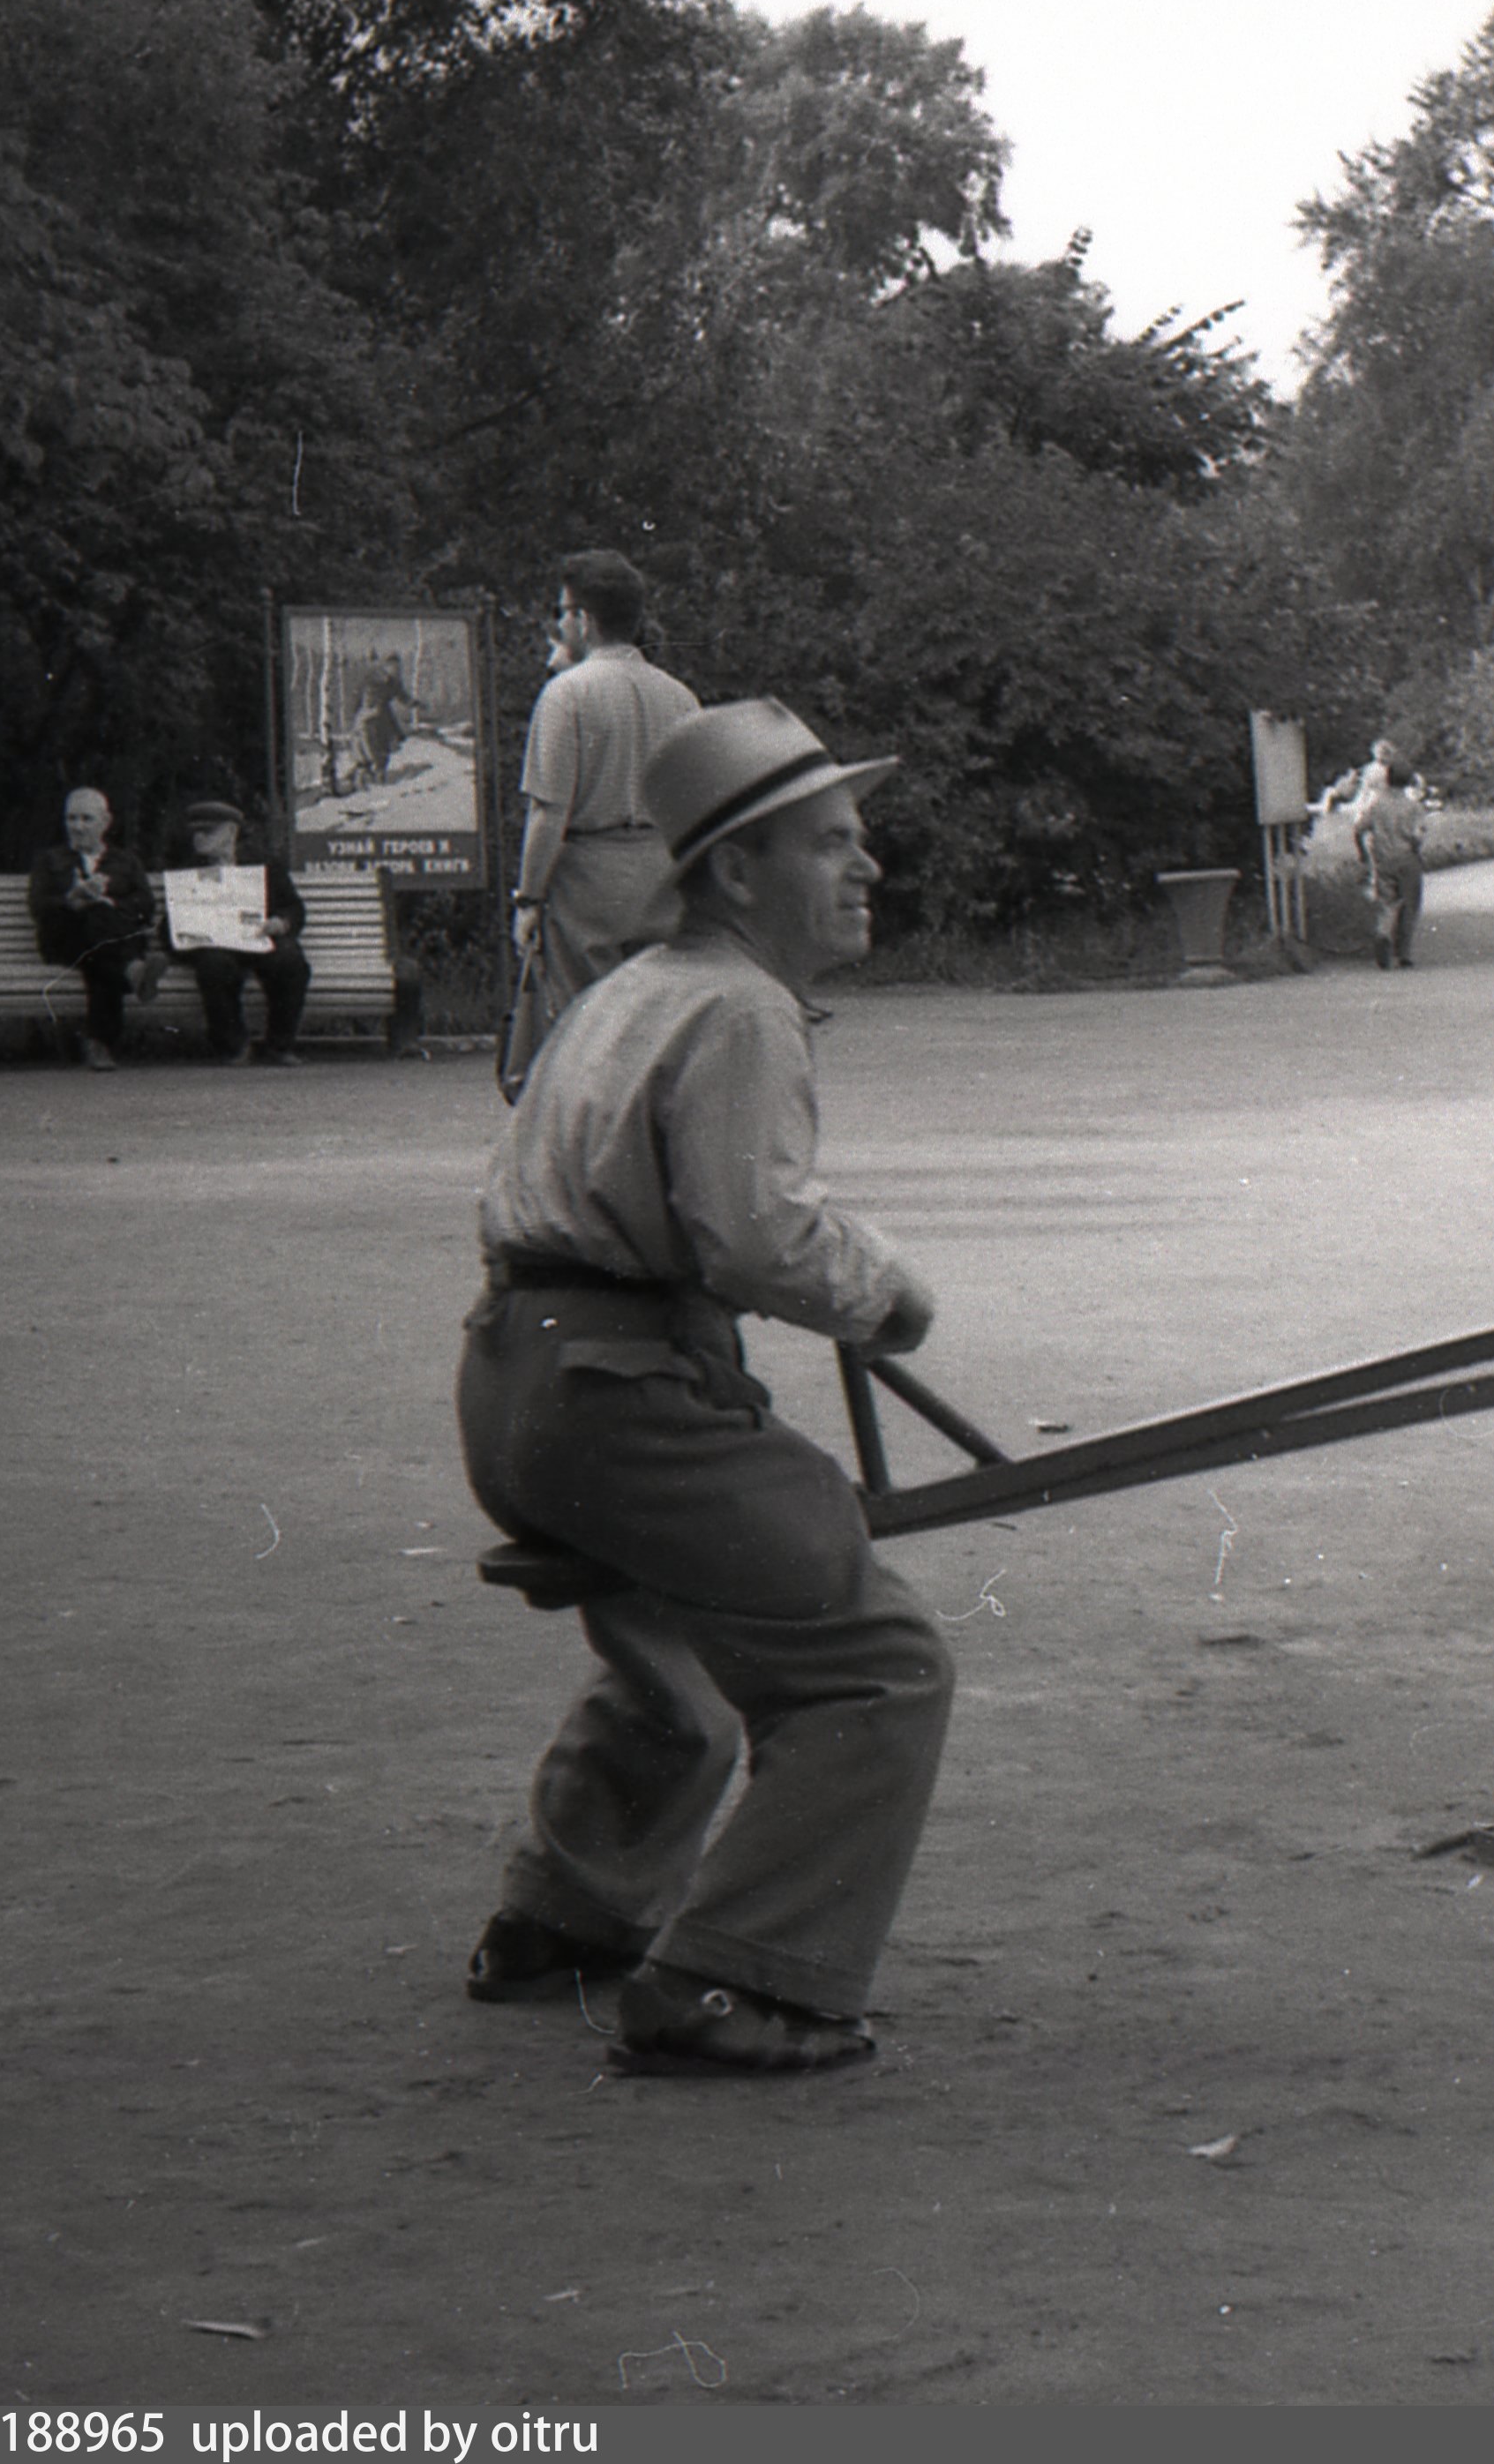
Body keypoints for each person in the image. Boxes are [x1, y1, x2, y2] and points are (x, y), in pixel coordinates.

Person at [459, 699, 951, 2078]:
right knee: (874, 1663)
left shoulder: (627, 990)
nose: (867, 870)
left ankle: (568, 1909)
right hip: (622, 1391)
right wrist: (886, 1291)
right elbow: (757, 1230)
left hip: (519, 1379)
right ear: (737, 871)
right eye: (832, 845)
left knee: (681, 1633)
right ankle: (738, 1983)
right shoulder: (741, 1008)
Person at [504, 550, 703, 1096]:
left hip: (587, 882)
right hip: (662, 876)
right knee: (651, 1031)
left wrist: (529, 898)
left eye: (563, 611)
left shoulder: (566, 694)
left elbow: (548, 811)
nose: (560, 622)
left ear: (584, 620)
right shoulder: (681, 697)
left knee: (586, 1030)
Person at [167, 800, 312, 1064]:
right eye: (195, 832)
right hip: (214, 945)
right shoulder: (186, 868)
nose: (199, 839)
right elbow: (170, 925)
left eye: (208, 832)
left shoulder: (262, 863)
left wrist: (280, 923)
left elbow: (294, 907)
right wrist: (190, 925)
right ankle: (233, 1046)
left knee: (290, 961)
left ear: (231, 832)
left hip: (256, 938)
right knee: (214, 966)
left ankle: (279, 1046)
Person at [25, 787, 155, 1070]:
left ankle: (99, 1044)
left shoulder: (125, 861)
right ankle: (133, 971)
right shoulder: (50, 861)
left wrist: (110, 902)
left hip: (101, 948)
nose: (77, 826)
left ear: (105, 821)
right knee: (99, 926)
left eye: (86, 819)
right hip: (65, 940)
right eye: (71, 819)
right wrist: (71, 901)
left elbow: (146, 904)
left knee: (100, 954)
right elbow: (38, 907)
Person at [1352, 745, 1428, 969]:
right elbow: (1417, 836)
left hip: (1382, 859)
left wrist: (1363, 854)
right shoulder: (1413, 807)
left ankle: (1382, 932)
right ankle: (1403, 953)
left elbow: (1358, 829)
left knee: (1386, 902)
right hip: (1407, 858)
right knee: (1409, 904)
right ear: (1408, 783)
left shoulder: (1376, 805)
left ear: (1387, 779)